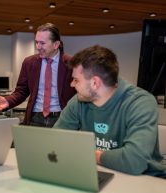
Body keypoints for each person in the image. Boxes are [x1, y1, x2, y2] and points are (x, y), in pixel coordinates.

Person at [54, 45, 166, 176]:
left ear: (95, 83)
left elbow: (134, 161)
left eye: (76, 80)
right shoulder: (79, 101)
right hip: (97, 172)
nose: (72, 84)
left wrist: (91, 155)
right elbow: (55, 141)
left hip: (145, 179)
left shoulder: (140, 102)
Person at [0, 23, 76, 127]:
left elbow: (78, 94)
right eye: (36, 42)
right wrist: (8, 101)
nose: (38, 47)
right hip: (35, 118)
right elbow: (21, 91)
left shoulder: (72, 64)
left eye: (42, 43)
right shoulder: (29, 62)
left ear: (56, 44)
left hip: (62, 118)